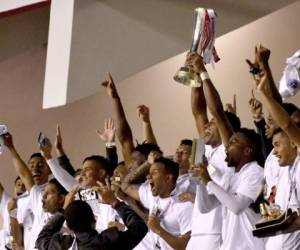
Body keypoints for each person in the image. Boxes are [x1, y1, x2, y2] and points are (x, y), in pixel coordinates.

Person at [197, 128, 265, 250]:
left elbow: (237, 207)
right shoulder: (231, 175)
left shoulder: (255, 172)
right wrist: (200, 181)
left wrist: (208, 181)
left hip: (249, 246)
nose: (227, 145)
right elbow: (205, 207)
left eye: (233, 142)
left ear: (247, 151)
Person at [36, 182, 148, 250]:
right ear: (94, 219)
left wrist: (64, 210)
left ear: (69, 228)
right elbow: (140, 227)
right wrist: (115, 203)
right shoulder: (109, 241)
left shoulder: (60, 246)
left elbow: (42, 238)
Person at [122, 157, 193, 250]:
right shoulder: (151, 195)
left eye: (154, 173)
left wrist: (159, 230)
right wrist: (147, 162)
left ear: (168, 178)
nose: (148, 177)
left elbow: (186, 246)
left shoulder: (184, 205)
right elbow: (125, 186)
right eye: (149, 173)